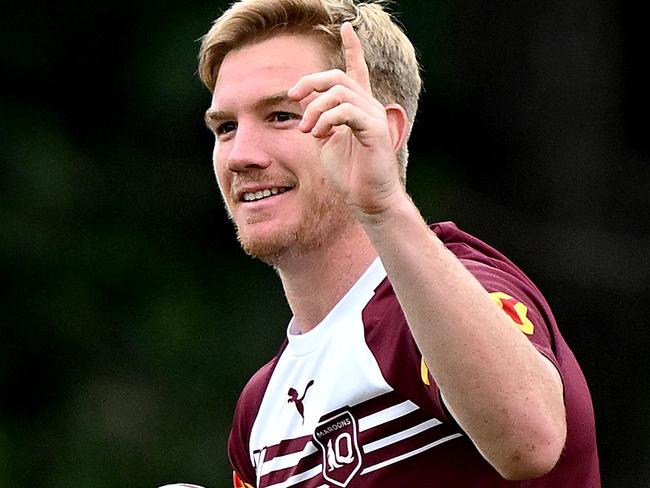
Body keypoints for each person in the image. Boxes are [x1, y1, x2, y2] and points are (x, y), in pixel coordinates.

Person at [197, 0, 600, 486]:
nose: (241, 155)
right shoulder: (259, 410)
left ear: (383, 131)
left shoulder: (452, 294)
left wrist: (383, 204)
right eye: (226, 127)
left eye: (281, 115)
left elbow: (531, 442)